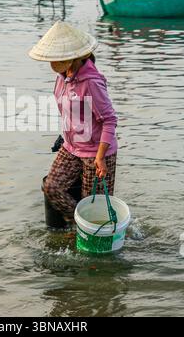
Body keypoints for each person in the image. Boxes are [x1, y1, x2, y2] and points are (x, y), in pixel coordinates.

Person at [29, 21, 118, 224]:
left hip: (96, 151)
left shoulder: (91, 83)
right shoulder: (62, 77)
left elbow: (109, 120)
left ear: (75, 59)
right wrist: (66, 135)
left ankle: (91, 229)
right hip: (71, 146)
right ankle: (77, 223)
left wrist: (101, 157)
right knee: (51, 186)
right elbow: (70, 111)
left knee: (93, 206)